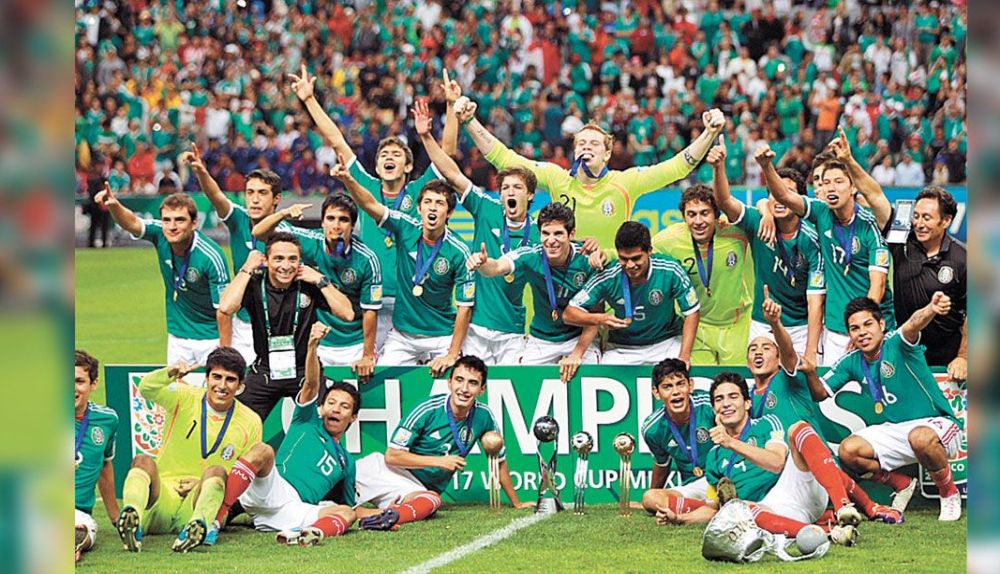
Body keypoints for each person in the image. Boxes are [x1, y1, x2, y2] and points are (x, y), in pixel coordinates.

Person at [289, 65, 457, 354]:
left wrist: (452, 107)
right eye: (384, 155)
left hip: (411, 302)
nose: (389, 157)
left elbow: (447, 155)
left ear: (407, 165)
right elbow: (337, 139)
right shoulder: (364, 185)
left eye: (396, 154)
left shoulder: (420, 192)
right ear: (377, 166)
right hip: (371, 300)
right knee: (372, 365)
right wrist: (309, 100)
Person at [457, 97, 726, 255]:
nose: (586, 147)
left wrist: (709, 133)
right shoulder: (556, 178)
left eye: (594, 143)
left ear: (607, 154)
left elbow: (677, 167)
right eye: (581, 143)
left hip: (609, 281)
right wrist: (470, 121)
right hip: (565, 286)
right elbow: (505, 159)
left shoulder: (625, 182)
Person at [650, 373, 861, 547]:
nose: (726, 404)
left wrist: (732, 443)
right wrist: (680, 519)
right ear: (714, 410)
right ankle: (829, 534)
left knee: (799, 429)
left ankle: (843, 506)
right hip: (772, 510)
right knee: (743, 510)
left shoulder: (767, 423)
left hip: (796, 489)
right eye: (719, 399)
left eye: (733, 397)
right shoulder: (714, 456)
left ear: (748, 403)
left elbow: (776, 463)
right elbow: (713, 508)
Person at [748, 289, 902, 524]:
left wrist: (776, 324)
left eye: (766, 348)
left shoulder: (787, 378)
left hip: (812, 465)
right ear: (747, 361)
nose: (758, 352)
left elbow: (789, 354)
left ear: (778, 359)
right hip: (783, 477)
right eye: (753, 349)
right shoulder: (748, 399)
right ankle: (837, 517)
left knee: (799, 432)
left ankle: (851, 506)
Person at [810, 296, 964, 521]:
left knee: (920, 437)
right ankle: (902, 484)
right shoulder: (852, 361)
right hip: (897, 429)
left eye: (868, 324)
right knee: (848, 451)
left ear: (881, 324)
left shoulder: (897, 343)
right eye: (855, 328)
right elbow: (819, 393)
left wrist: (931, 308)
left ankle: (949, 493)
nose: (862, 332)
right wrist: (809, 372)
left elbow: (913, 324)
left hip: (938, 424)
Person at [209, 323, 361, 547]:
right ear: (321, 406)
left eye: (344, 406)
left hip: (292, 509)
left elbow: (350, 506)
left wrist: (390, 513)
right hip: (273, 488)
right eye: (331, 402)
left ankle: (308, 534)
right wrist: (312, 347)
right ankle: (217, 518)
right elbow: (311, 385)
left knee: (347, 512)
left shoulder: (347, 461)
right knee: (263, 451)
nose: (336, 409)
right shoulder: (307, 420)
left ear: (353, 417)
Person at [413, 98, 539, 364]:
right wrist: (426, 137)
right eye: (505, 188)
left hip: (512, 332)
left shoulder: (540, 233)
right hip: (475, 328)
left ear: (530, 195)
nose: (510, 193)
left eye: (517, 188)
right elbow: (452, 174)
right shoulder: (486, 208)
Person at [353, 355, 532, 529]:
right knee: (339, 497)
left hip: (415, 488)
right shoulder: (427, 409)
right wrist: (439, 461)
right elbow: (392, 456)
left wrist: (516, 502)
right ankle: (367, 512)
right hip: (385, 471)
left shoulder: (484, 416)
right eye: (459, 380)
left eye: (473, 383)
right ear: (449, 382)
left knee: (431, 501)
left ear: (482, 389)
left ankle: (381, 515)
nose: (464, 389)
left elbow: (499, 461)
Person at [180, 143, 320, 364]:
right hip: (244, 326)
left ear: (276, 198)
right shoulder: (239, 219)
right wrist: (200, 171)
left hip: (282, 325)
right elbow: (216, 196)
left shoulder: (289, 237)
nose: (254, 199)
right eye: (250, 192)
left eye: (262, 193)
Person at [333, 159, 474, 374]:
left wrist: (452, 354)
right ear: (419, 208)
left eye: (439, 203)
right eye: (428, 202)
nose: (432, 207)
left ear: (449, 212)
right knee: (381, 378)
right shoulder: (406, 227)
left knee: (455, 379)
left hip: (441, 335)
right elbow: (371, 205)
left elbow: (465, 307)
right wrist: (349, 180)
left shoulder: (459, 251)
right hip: (403, 336)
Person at [116, 347, 262, 553]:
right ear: (206, 379)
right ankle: (133, 518)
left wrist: (201, 483)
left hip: (201, 500)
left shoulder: (251, 421)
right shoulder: (183, 396)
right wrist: (169, 372)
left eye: (230, 380)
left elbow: (244, 476)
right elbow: (146, 388)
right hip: (163, 498)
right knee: (142, 461)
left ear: (240, 386)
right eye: (217, 377)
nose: (222, 386)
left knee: (217, 471)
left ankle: (196, 528)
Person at [766, 140, 895, 365]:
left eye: (838, 182)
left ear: (853, 187)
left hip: (872, 328)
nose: (831, 188)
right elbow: (785, 197)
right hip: (835, 331)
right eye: (825, 183)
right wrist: (766, 166)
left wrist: (861, 326)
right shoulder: (820, 213)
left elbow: (878, 285)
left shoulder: (869, 226)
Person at [218, 232, 354, 421]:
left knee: (323, 420)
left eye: (292, 259)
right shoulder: (255, 283)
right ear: (266, 261)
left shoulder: (308, 284)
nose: (286, 266)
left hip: (304, 370)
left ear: (300, 262)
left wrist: (321, 280)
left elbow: (347, 313)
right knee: (236, 422)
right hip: (265, 369)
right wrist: (247, 267)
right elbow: (225, 307)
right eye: (278, 259)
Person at [712, 139, 826, 364]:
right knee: (761, 379)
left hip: (800, 328)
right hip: (762, 325)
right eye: (774, 193)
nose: (779, 199)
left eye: (786, 193)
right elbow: (724, 201)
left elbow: (815, 302)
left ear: (798, 200)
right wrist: (718, 167)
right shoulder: (758, 222)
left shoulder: (812, 241)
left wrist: (811, 350)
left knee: (802, 381)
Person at [94, 186, 232, 365]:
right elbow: (132, 222)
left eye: (180, 220)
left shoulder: (211, 256)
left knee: (213, 383)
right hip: (177, 337)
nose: (172, 227)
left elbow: (224, 310)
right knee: (176, 384)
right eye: (167, 220)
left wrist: (225, 355)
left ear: (194, 223)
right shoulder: (160, 233)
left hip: (210, 338)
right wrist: (114, 205)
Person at [252, 193, 383, 379]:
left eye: (343, 220)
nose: (336, 225)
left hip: (353, 343)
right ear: (322, 222)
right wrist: (284, 213)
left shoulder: (367, 260)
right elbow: (259, 233)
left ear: (353, 225)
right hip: (317, 340)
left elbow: (370, 311)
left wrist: (367, 355)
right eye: (330, 218)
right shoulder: (308, 241)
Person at [467, 202, 600, 381]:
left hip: (578, 338)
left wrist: (577, 354)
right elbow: (497, 267)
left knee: (591, 376)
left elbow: (595, 316)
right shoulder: (531, 255)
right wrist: (482, 264)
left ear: (571, 234)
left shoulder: (586, 261)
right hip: (542, 339)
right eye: (545, 233)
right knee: (524, 382)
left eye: (558, 233)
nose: (551, 240)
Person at [849, 181, 967, 374]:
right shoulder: (901, 239)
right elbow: (875, 196)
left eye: (926, 218)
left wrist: (963, 357)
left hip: (947, 363)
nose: (919, 224)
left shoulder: (963, 259)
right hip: (905, 355)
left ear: (946, 221)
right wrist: (848, 164)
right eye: (916, 216)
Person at [564, 222, 700, 365]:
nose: (630, 265)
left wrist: (684, 356)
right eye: (623, 258)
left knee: (679, 373)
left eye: (636, 258)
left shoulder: (670, 269)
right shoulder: (608, 275)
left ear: (649, 251)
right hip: (621, 348)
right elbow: (569, 314)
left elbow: (692, 311)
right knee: (604, 374)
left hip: (666, 342)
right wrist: (600, 319)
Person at [652, 184, 751, 365]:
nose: (698, 221)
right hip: (697, 329)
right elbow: (638, 253)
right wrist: (606, 255)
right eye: (691, 214)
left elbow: (762, 212)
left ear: (716, 215)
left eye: (705, 213)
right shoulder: (669, 240)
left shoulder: (736, 232)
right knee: (700, 382)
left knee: (737, 381)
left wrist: (766, 210)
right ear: (684, 217)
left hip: (737, 326)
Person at [640, 359, 716, 516]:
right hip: (694, 487)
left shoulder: (710, 406)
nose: (676, 392)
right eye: (667, 387)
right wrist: (654, 500)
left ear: (690, 385)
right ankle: (710, 508)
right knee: (650, 498)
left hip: (723, 477)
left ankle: (702, 509)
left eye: (680, 384)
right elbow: (662, 465)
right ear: (656, 393)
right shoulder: (652, 429)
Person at [74, 350, 120, 562]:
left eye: (79, 381)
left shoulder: (107, 419)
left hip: (77, 513)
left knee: (80, 532)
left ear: (93, 384)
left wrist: (116, 518)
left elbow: (105, 466)